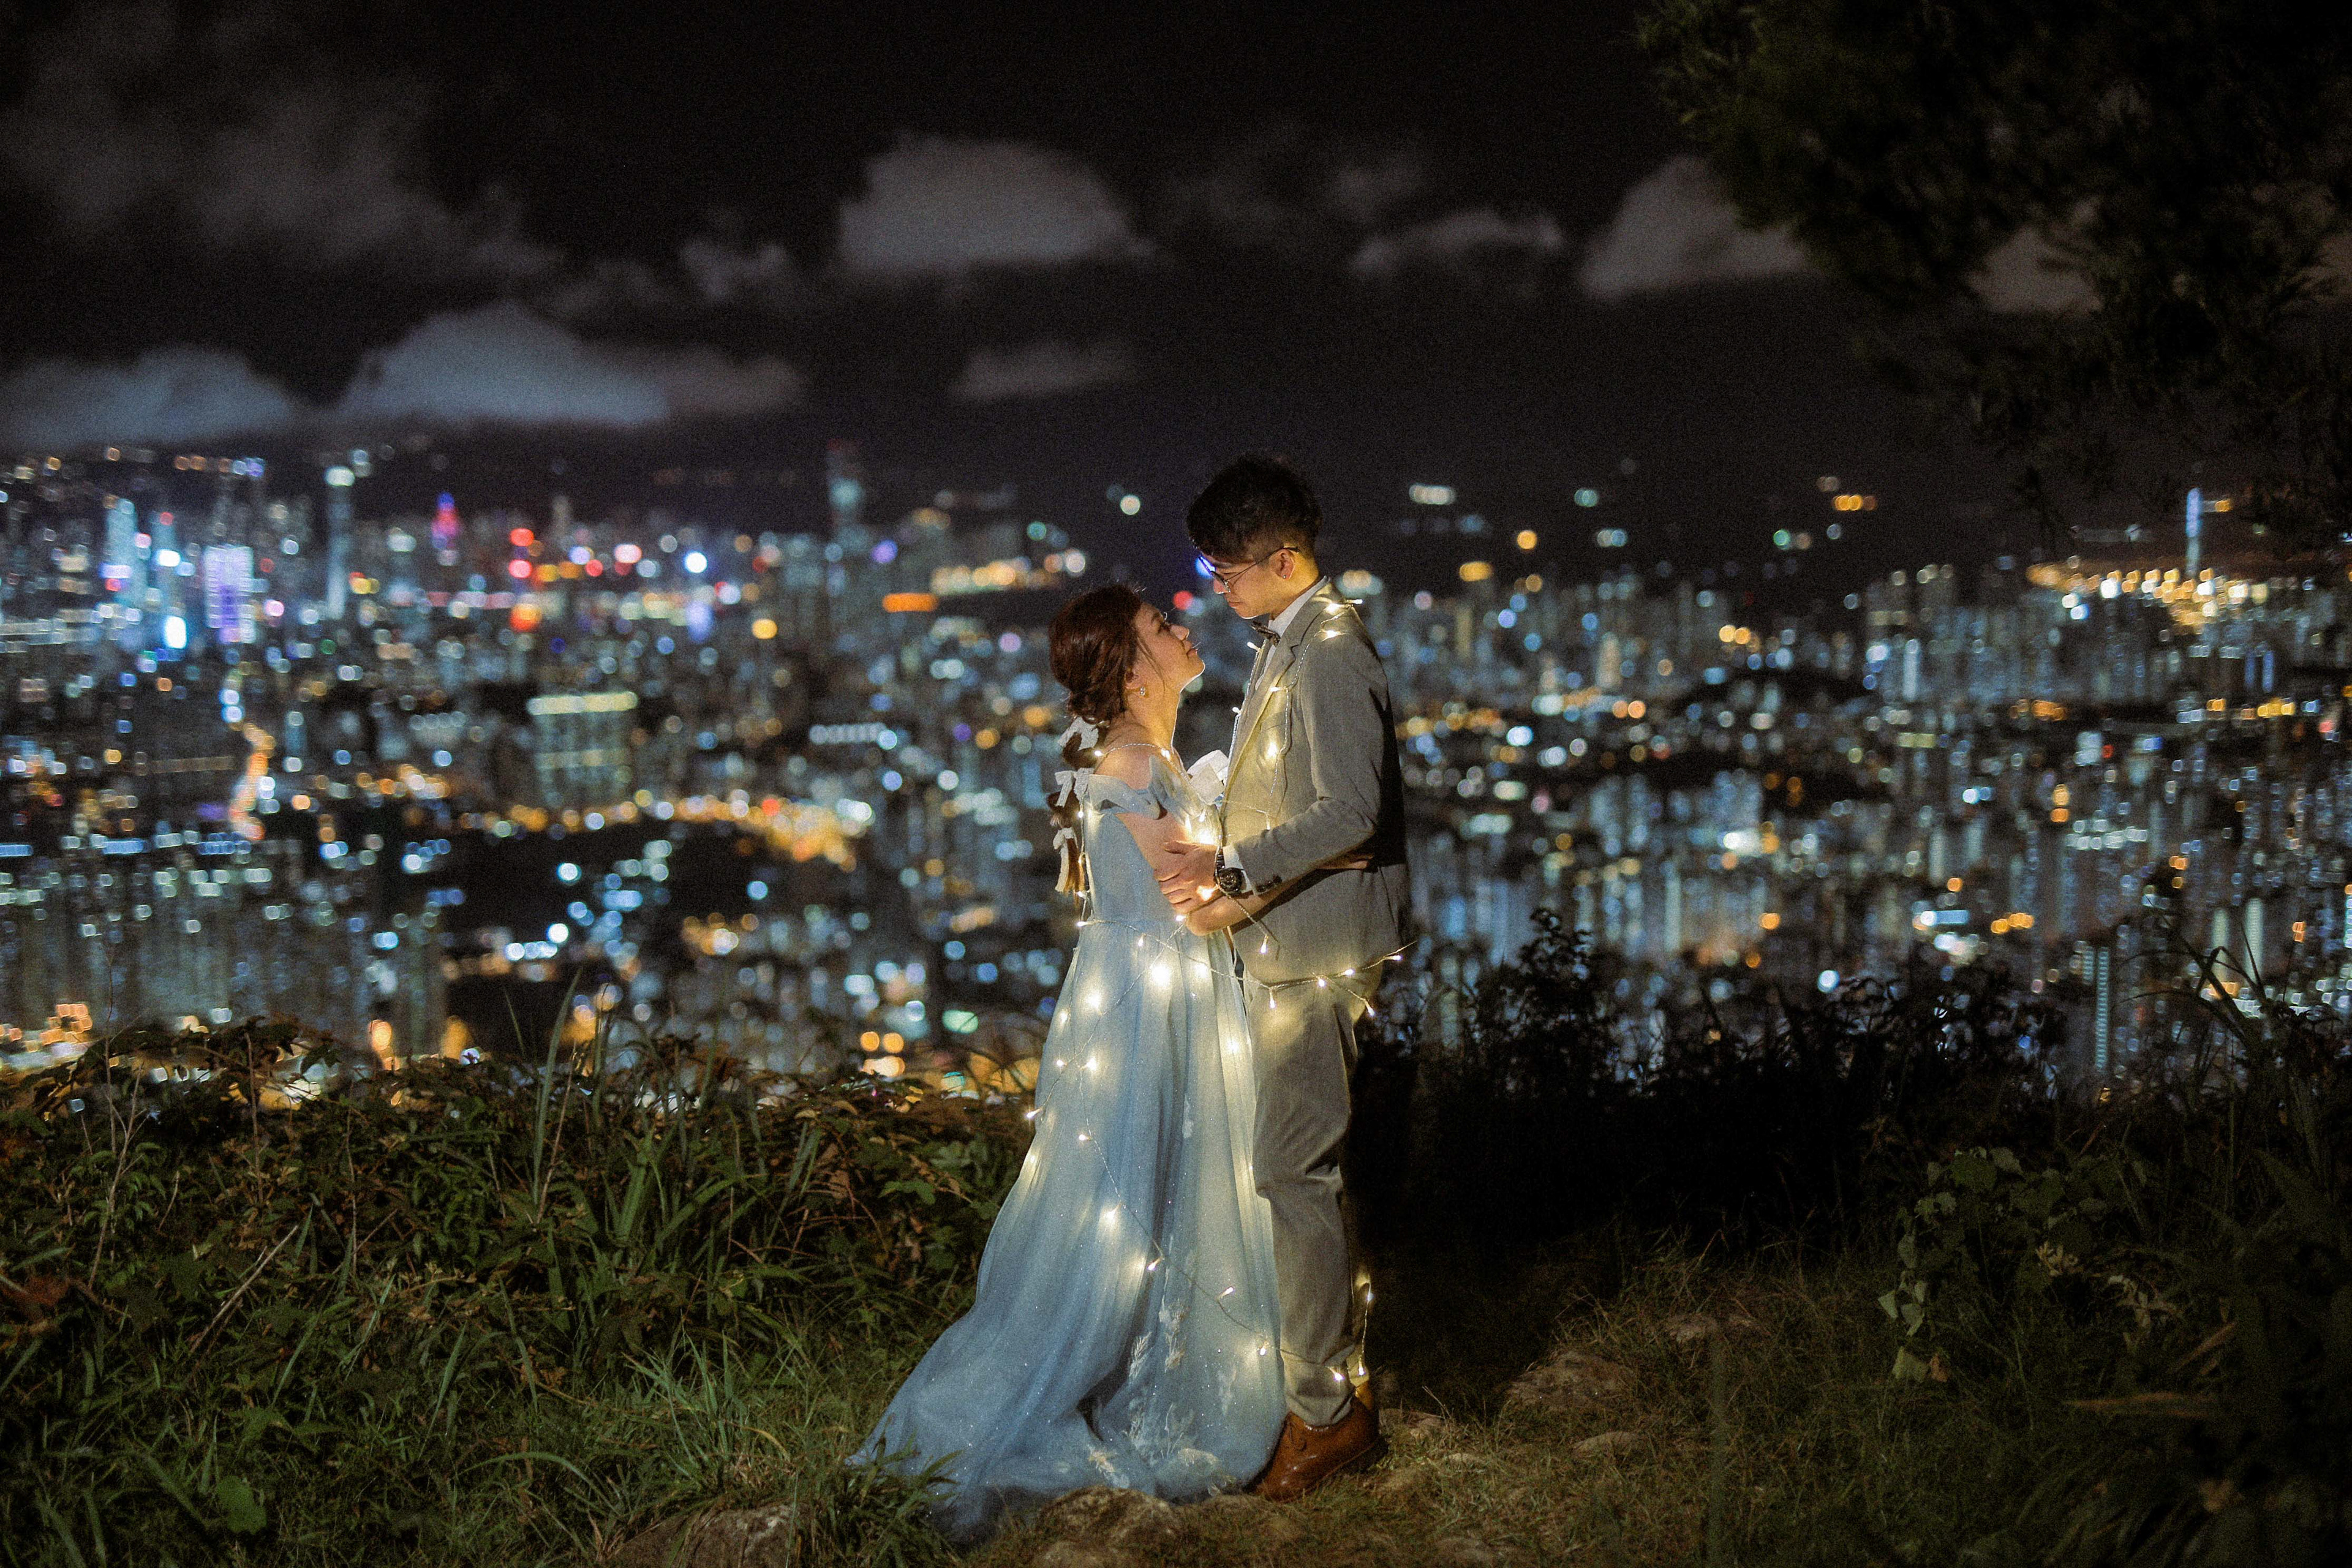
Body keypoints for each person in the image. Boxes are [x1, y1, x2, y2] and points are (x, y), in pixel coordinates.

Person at [859, 583, 1335, 1542]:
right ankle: (1116, 1388)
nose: (1183, 629)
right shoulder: (1130, 765)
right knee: (1138, 1195)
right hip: (1149, 1012)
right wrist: (1321, 862)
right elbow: (1199, 906)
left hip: (1161, 999)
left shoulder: (1149, 758)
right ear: (1128, 665)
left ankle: (1158, 1356)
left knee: (1162, 1192)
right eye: (1161, 627)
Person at [1155, 453, 1413, 1501]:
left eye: (1227, 571)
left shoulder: (1331, 653)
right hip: (1287, 941)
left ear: (1286, 560)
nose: (1217, 588)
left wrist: (1230, 867)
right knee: (1295, 1173)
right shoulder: (1289, 643)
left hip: (1315, 954)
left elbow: (1352, 812)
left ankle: (1327, 1416)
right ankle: (1325, 1391)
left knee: (1292, 1174)